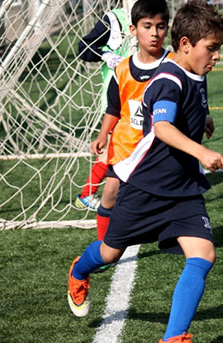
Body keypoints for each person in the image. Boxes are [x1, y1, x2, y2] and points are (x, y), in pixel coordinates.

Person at [67, 1, 223, 343]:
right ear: (186, 44)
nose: (216, 56)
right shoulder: (168, 79)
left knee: (203, 254)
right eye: (211, 48)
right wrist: (202, 153)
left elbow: (187, 111)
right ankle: (79, 270)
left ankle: (173, 339)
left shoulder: (193, 72)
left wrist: (203, 120)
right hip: (146, 185)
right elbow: (163, 128)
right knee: (109, 253)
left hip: (184, 187)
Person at [89, 1, 173, 241]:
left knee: (165, 197)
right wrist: (102, 135)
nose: (154, 33)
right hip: (126, 144)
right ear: (134, 29)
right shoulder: (123, 68)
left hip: (160, 145)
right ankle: (104, 245)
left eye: (160, 26)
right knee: (110, 193)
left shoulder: (174, 65)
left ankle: (173, 232)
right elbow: (114, 108)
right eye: (147, 26)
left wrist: (205, 114)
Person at [74, 7, 130, 211]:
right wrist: (106, 55)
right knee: (115, 145)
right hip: (116, 95)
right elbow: (84, 47)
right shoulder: (114, 19)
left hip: (139, 92)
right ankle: (87, 194)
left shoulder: (152, 10)